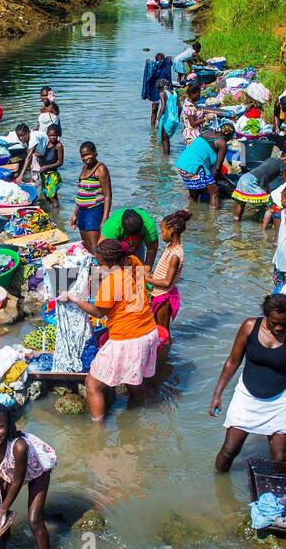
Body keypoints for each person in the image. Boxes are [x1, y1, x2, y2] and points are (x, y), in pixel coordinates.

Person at [210, 292, 286, 470]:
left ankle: (282, 494)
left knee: (280, 457)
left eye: (283, 324)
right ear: (265, 316)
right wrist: (217, 394)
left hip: (279, 401)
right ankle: (218, 489)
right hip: (247, 397)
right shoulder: (249, 327)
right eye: (273, 323)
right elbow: (232, 361)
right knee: (229, 450)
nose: (278, 328)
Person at [60, 239, 158, 421]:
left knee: (92, 384)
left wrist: (73, 297)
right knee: (133, 378)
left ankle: (97, 433)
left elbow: (97, 312)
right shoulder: (133, 262)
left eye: (100, 263)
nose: (98, 265)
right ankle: (140, 410)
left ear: (111, 262)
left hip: (127, 338)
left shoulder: (111, 282)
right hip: (148, 330)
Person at [0, 403, 57, 549]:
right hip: (10, 469)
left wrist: (3, 509)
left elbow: (18, 481)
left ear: (9, 425)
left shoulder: (19, 446)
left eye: (0, 427)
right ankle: (4, 543)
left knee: (34, 520)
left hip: (37, 471)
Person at [175, 123, 234, 210]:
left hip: (182, 165)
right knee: (214, 192)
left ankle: (190, 214)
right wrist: (224, 181)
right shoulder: (222, 143)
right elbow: (217, 169)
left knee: (194, 195)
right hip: (195, 167)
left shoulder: (206, 132)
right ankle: (212, 221)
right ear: (228, 136)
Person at [232, 146, 286, 221]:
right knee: (270, 202)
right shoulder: (282, 164)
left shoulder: (271, 159)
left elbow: (265, 178)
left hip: (244, 177)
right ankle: (266, 224)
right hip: (251, 181)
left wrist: (268, 191)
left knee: (241, 202)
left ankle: (236, 224)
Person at [150, 210, 189, 329]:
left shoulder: (175, 255)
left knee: (163, 332)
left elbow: (167, 282)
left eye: (162, 231)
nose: (161, 234)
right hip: (157, 293)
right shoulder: (169, 247)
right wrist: (153, 277)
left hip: (164, 297)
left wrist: (147, 279)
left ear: (171, 231)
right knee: (155, 328)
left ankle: (167, 347)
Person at [71, 141, 112, 254]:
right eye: (83, 155)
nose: (86, 158)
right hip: (82, 212)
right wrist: (75, 214)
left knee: (95, 247)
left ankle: (99, 270)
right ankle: (90, 268)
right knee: (86, 245)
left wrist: (104, 219)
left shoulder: (100, 169)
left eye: (88, 154)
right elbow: (81, 192)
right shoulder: (85, 167)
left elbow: (108, 196)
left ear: (95, 153)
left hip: (94, 211)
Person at [20, 123, 63, 205]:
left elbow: (60, 162)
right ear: (47, 135)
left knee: (53, 197)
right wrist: (38, 155)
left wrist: (46, 167)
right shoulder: (46, 144)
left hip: (52, 174)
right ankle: (52, 213)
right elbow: (44, 155)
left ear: (58, 135)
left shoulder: (59, 146)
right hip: (44, 174)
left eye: (54, 135)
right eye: (50, 135)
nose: (52, 137)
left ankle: (56, 213)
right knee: (46, 195)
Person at [156, 80, 181, 156]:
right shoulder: (175, 93)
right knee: (167, 139)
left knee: (164, 140)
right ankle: (167, 155)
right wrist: (178, 118)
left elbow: (163, 107)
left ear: (160, 88)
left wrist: (157, 119)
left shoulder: (162, 93)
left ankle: (165, 158)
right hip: (175, 119)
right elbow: (180, 107)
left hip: (167, 119)